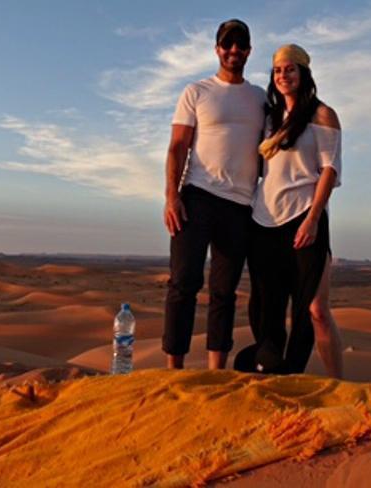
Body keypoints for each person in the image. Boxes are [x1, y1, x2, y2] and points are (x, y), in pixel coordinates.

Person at [162, 19, 267, 370]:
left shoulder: (260, 98)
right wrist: (171, 197)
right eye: (227, 43)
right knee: (183, 284)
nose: (234, 50)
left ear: (249, 51)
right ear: (217, 48)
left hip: (240, 206)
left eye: (241, 44)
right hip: (196, 197)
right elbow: (178, 146)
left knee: (224, 292)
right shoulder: (197, 91)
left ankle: (214, 373)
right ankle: (173, 372)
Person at [238, 44, 344, 377]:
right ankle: (273, 370)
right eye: (278, 70)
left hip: (304, 218)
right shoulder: (269, 118)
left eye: (290, 69)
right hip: (264, 221)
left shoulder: (322, 114)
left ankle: (337, 383)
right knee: (267, 306)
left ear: (303, 73)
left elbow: (330, 170)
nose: (283, 75)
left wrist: (313, 219)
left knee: (315, 309)